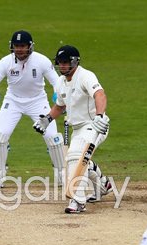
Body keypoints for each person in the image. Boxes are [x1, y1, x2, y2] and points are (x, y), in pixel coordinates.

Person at [33, 45, 111, 213]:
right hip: (78, 129)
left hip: (95, 125)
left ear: (75, 62)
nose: (62, 66)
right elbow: (60, 106)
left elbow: (100, 95)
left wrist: (99, 116)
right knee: (79, 160)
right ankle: (103, 185)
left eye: (65, 63)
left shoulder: (85, 76)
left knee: (76, 157)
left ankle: (78, 201)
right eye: (59, 63)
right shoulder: (61, 82)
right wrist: (47, 119)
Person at [0, 30, 65, 189]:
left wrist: (58, 96)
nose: (19, 49)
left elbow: (57, 82)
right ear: (12, 47)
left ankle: (62, 175)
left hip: (38, 101)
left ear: (30, 46)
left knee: (53, 138)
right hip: (13, 101)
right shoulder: (5, 62)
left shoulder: (41, 61)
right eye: (16, 46)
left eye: (22, 46)